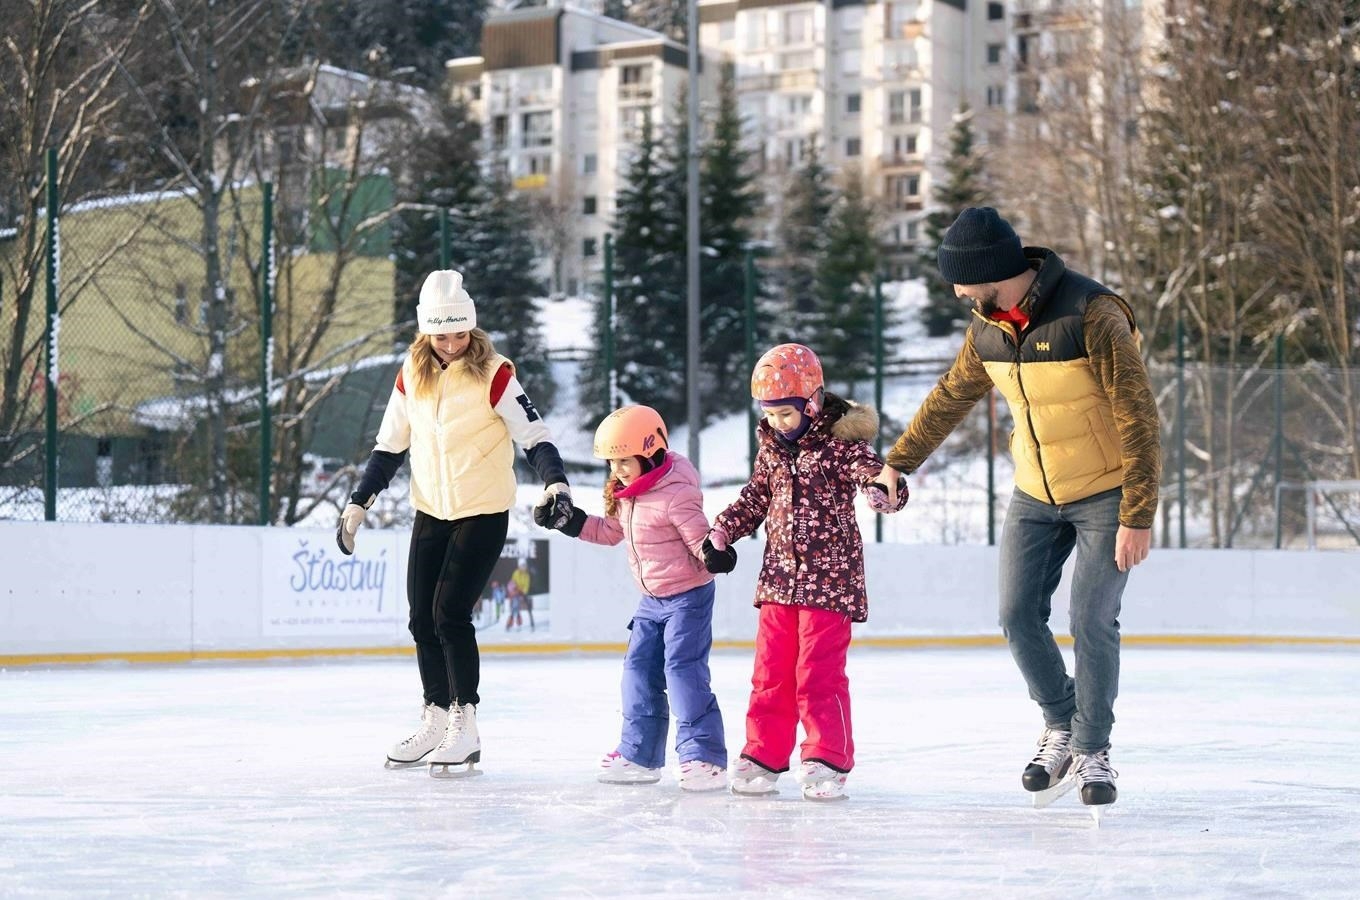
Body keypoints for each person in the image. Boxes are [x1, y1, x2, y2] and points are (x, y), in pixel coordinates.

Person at [876, 207, 1161, 814]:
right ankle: (1061, 724)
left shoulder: (1092, 313)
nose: (956, 293)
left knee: (1090, 617)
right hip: (1035, 491)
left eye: (961, 281)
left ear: (992, 272)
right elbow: (951, 395)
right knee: (1015, 613)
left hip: (1106, 491)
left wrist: (1138, 512)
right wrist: (900, 461)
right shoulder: (986, 327)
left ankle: (1092, 747)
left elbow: (1138, 414)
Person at [336, 269, 577, 777]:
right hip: (431, 509)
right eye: (441, 335)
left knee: (449, 614)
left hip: (483, 509)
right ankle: (436, 715)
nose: (451, 344)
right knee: (420, 618)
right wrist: (360, 501)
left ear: (472, 329)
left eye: (459, 334)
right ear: (426, 334)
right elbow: (389, 446)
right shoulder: (411, 373)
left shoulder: (496, 373)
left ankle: (465, 724)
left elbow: (535, 436)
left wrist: (556, 482)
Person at [709, 344, 907, 801]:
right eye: (770, 414)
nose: (778, 423)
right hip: (778, 579)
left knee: (817, 673)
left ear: (812, 403)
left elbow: (873, 472)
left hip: (830, 581)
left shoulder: (842, 446)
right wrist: (722, 532)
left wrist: (883, 490)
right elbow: (755, 498)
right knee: (770, 672)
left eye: (786, 413)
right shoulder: (772, 452)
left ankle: (826, 757)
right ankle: (763, 754)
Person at [541, 405, 730, 792]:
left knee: (682, 670)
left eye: (624, 461)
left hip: (688, 596)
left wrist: (714, 552)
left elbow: (699, 538)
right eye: (612, 462)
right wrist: (569, 521)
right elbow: (610, 532)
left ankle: (704, 756)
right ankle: (640, 755)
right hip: (651, 600)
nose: (617, 470)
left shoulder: (676, 492)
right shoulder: (626, 493)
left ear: (651, 450)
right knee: (637, 672)